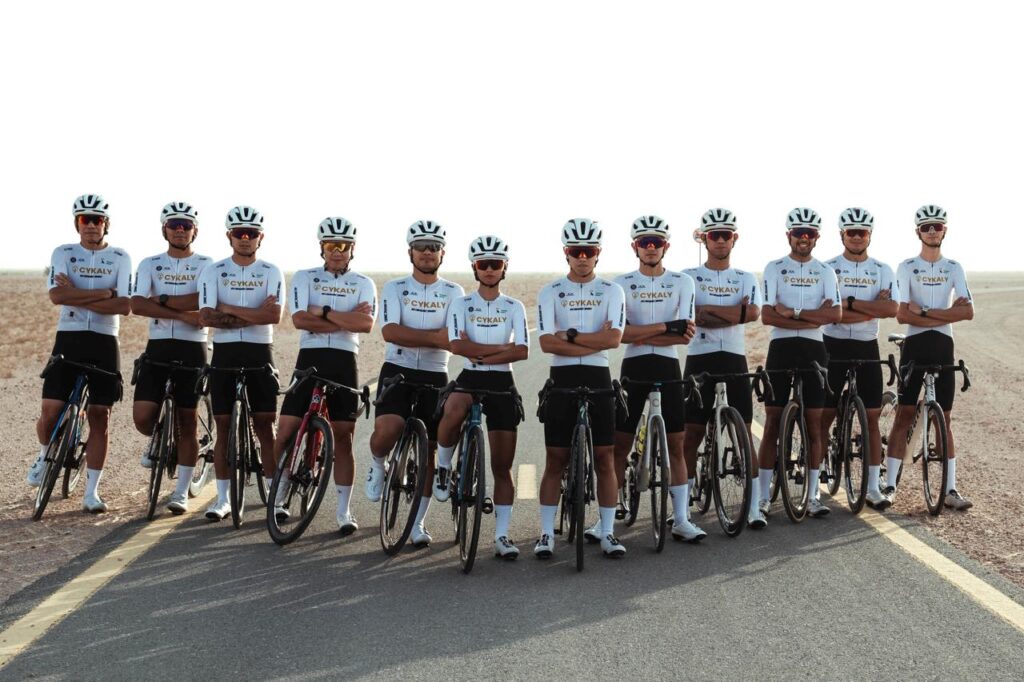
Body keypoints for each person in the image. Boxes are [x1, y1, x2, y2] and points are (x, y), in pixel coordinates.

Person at [598, 215, 703, 543]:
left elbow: (685, 335)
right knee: (620, 445)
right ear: (635, 247)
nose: (651, 247)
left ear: (666, 246)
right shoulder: (621, 284)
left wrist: (640, 333)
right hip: (634, 369)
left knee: (676, 444)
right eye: (645, 242)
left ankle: (681, 519)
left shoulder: (683, 282)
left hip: (669, 369)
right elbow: (620, 336)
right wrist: (664, 328)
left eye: (656, 242)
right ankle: (605, 520)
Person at [28, 194, 132, 513]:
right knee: (50, 411)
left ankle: (91, 492)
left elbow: (124, 305)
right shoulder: (63, 253)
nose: (91, 225)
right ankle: (45, 456)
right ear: (77, 223)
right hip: (69, 337)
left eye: (97, 220)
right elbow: (56, 297)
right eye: (85, 219)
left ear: (106, 224)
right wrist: (104, 292)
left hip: (105, 340)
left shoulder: (120, 257)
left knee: (100, 417)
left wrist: (76, 294)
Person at [274, 217, 376, 534]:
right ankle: (279, 496)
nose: (337, 251)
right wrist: (345, 319)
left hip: (345, 361)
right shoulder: (305, 277)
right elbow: (300, 320)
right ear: (322, 247)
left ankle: (344, 511)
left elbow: (365, 324)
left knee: (343, 437)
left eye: (343, 245)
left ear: (352, 249)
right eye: (332, 245)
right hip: (310, 357)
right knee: (286, 431)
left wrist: (325, 312)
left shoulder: (363, 283)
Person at [365, 221, 464, 547]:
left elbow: (452, 340)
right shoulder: (395, 287)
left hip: (435, 374)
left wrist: (418, 336)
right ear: (410, 252)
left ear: (442, 253)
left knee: (428, 452)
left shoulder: (454, 292)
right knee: (388, 429)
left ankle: (418, 522)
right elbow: (390, 332)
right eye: (421, 246)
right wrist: (434, 336)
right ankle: (377, 463)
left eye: (433, 247)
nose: (427, 252)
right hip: (398, 369)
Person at [535, 219, 626, 558]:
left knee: (604, 457)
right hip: (562, 379)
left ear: (598, 253)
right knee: (555, 459)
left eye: (589, 251)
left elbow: (613, 339)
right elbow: (546, 343)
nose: (583, 257)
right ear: (566, 253)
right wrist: (593, 340)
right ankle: (546, 534)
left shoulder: (612, 291)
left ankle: (607, 532)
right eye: (577, 251)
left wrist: (570, 337)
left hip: (599, 377)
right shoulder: (550, 291)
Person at [434, 235, 529, 559]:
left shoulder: (514, 307)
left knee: (502, 466)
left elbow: (523, 350)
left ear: (504, 268)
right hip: (470, 376)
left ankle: (502, 536)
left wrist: (481, 352)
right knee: (454, 407)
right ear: (475, 268)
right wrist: (501, 348)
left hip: (502, 381)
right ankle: (443, 467)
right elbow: (456, 346)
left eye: (495, 264)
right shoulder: (460, 304)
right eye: (483, 264)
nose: (489, 269)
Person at [197, 206, 285, 521]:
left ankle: (275, 497)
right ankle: (222, 499)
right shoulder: (214, 271)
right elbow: (206, 316)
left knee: (265, 427)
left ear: (261, 237)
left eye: (251, 233)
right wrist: (254, 314)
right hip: (224, 354)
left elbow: (273, 315)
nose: (245, 238)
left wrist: (229, 308)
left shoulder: (271, 272)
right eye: (239, 233)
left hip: (260, 352)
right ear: (229, 236)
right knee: (223, 427)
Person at [886, 205, 974, 510]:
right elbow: (901, 315)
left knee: (944, 419)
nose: (932, 231)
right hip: (915, 345)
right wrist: (947, 313)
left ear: (945, 230)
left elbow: (968, 312)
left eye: (937, 226)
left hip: (943, 346)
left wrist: (923, 311)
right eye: (926, 227)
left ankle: (950, 490)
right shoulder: (906, 267)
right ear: (918, 232)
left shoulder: (954, 267)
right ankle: (889, 485)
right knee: (905, 414)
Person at [682, 208, 765, 528]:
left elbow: (753, 314)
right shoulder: (688, 277)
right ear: (704, 239)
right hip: (699, 359)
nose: (720, 241)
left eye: (725, 235)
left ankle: (754, 507)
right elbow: (693, 316)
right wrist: (733, 312)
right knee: (691, 434)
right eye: (714, 235)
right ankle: (682, 508)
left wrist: (709, 311)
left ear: (734, 239)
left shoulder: (745, 278)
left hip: (734, 359)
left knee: (743, 434)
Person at [758, 208, 841, 518]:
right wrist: (813, 316)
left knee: (814, 424)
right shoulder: (774, 268)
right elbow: (767, 316)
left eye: (810, 233)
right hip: (780, 347)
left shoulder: (826, 271)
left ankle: (813, 493)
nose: (803, 238)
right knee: (772, 422)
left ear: (817, 237)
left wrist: (792, 313)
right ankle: (762, 497)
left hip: (813, 350)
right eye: (798, 233)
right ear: (788, 235)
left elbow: (835, 315)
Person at [131, 202, 212, 514]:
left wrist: (161, 300)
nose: (180, 230)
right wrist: (184, 313)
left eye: (186, 225)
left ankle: (181, 492)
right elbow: (138, 305)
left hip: (193, 347)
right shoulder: (150, 263)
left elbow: (204, 300)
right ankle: (159, 437)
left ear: (195, 231)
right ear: (164, 229)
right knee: (142, 417)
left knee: (187, 421)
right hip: (159, 345)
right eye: (174, 225)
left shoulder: (207, 264)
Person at [820, 208, 897, 509]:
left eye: (861, 232)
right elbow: (829, 313)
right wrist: (869, 307)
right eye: (851, 232)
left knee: (872, 418)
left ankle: (873, 486)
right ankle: (819, 469)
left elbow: (891, 309)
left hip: (867, 345)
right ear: (842, 235)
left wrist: (847, 304)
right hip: (832, 344)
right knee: (824, 415)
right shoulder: (827, 268)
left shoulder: (882, 269)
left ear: (869, 235)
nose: (856, 237)